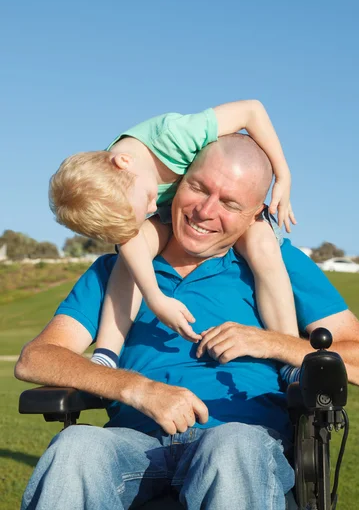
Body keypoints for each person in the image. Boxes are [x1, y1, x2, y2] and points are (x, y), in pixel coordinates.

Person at [16, 135, 359, 510]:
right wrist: (138, 389)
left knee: (232, 447)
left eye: (229, 203)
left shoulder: (278, 265)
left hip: (241, 439)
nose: (205, 211)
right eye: (198, 188)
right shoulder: (118, 271)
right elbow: (38, 358)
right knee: (75, 447)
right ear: (176, 185)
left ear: (255, 213)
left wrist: (271, 342)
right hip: (134, 446)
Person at [49, 100, 298, 373]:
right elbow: (130, 238)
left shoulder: (174, 137)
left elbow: (252, 110)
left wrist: (283, 175)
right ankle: (106, 354)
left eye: (147, 199)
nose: (152, 209)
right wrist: (155, 297)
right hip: (182, 208)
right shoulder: (118, 186)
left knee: (262, 244)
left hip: (210, 202)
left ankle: (289, 355)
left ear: (124, 162)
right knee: (132, 255)